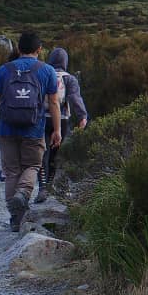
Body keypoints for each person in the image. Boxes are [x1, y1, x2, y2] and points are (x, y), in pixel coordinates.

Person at [0, 33, 62, 233]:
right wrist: (57, 130)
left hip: (7, 128)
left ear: (18, 49)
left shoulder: (4, 70)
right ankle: (23, 193)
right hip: (34, 128)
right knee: (32, 165)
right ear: (39, 49)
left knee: (12, 170)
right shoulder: (47, 70)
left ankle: (15, 218)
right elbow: (54, 102)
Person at [37, 47, 88, 198]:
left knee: (42, 153)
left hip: (42, 119)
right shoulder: (69, 78)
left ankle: (42, 187)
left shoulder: (43, 75)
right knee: (55, 154)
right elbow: (75, 98)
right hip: (62, 120)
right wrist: (82, 116)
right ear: (66, 61)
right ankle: (52, 184)